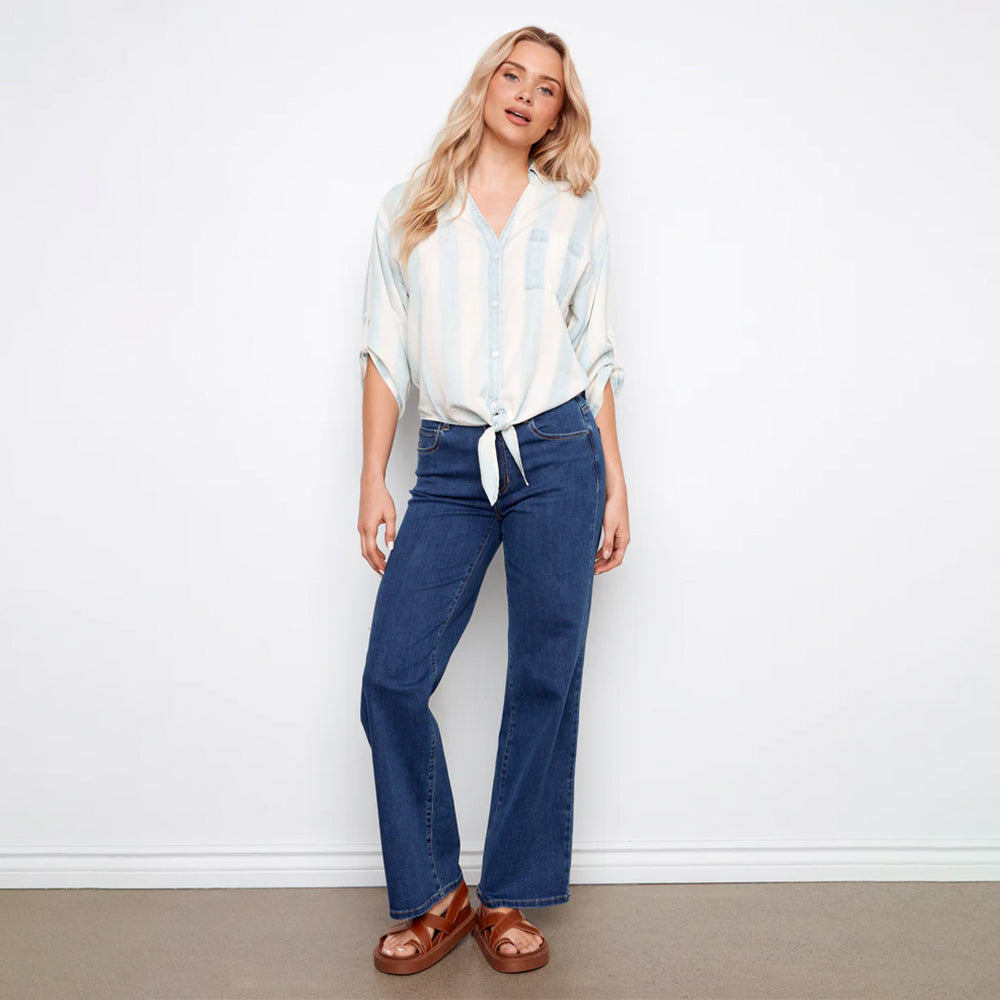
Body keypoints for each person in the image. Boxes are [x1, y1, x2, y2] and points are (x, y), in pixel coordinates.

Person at [357, 24, 629, 976]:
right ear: (485, 86)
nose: (524, 93)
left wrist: (615, 482)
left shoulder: (575, 213)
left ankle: (509, 892)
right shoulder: (412, 210)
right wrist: (371, 479)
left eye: (545, 86)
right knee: (392, 677)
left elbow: (595, 355)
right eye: (511, 74)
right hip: (448, 464)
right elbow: (384, 353)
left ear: (560, 111)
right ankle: (440, 892)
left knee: (544, 676)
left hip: (559, 452)